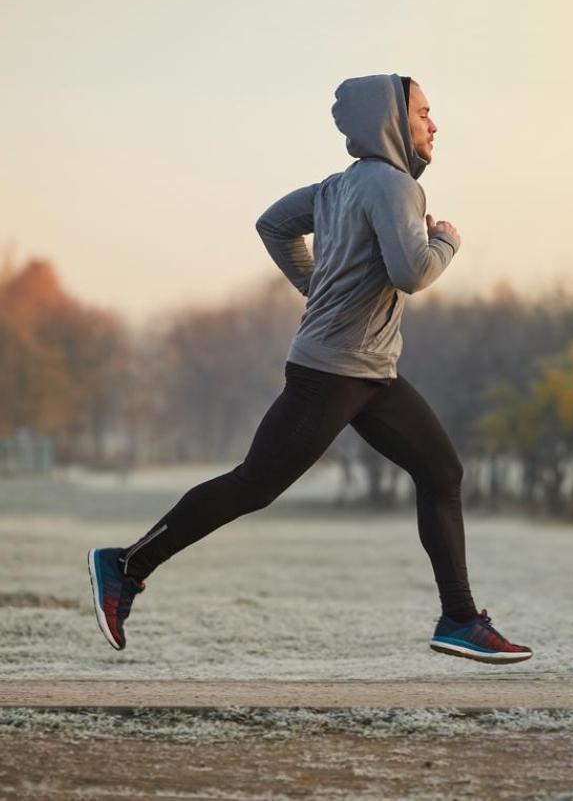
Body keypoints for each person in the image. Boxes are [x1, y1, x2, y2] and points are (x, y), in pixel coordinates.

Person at [86, 73, 532, 665]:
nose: (433, 124)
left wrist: (314, 284)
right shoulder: (396, 188)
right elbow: (412, 272)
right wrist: (446, 241)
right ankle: (124, 566)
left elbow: (272, 223)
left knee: (441, 471)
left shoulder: (338, 187)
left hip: (372, 373)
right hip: (333, 373)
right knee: (255, 483)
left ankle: (458, 619)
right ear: (393, 121)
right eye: (424, 112)